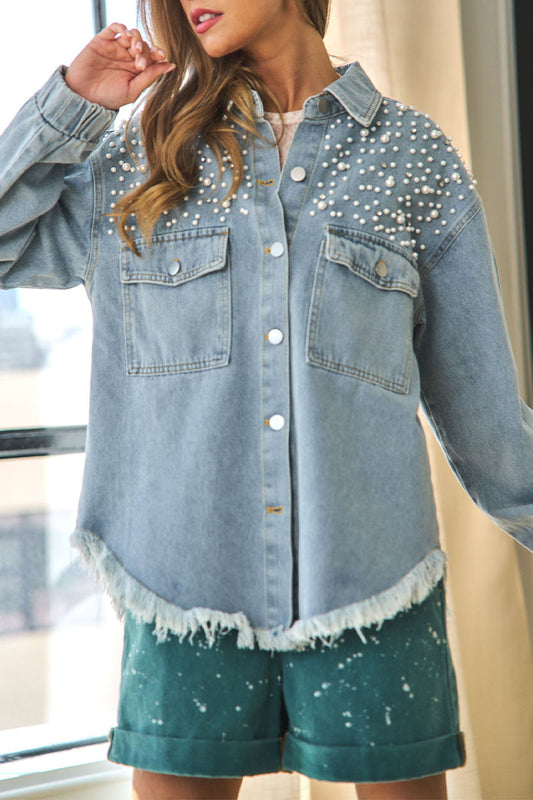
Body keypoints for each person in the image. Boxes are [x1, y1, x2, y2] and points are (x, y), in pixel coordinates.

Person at [1, 0, 533, 798]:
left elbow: (485, 417)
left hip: (372, 593)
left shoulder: (411, 158)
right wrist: (72, 104)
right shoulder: (143, 156)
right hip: (182, 594)